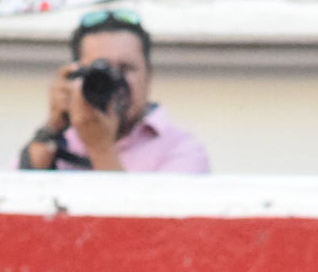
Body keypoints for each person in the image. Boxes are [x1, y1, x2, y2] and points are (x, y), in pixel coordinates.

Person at [19, 9, 210, 173]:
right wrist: (51, 128)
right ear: (75, 75)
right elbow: (11, 204)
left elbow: (150, 216)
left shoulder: (182, 150)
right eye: (100, 70)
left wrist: (100, 148)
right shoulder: (58, 143)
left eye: (125, 68)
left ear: (148, 76)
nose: (114, 80)